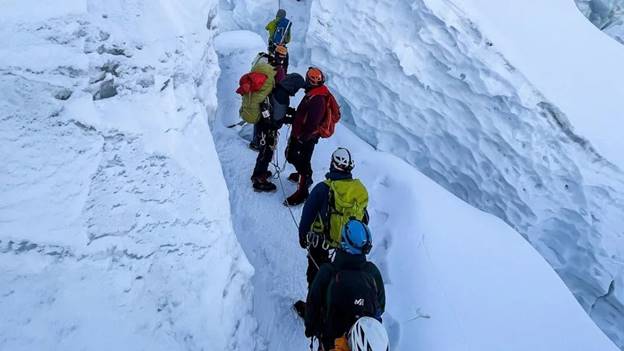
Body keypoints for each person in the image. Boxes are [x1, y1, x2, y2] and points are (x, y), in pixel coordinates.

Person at [302, 219, 386, 351]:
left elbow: (313, 307)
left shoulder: (327, 272)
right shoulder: (372, 272)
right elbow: (380, 306)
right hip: (365, 343)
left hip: (331, 342)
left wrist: (312, 330)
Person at [295, 147, 369, 289]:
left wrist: (303, 235)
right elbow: (364, 218)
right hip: (347, 246)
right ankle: (331, 304)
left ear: (333, 163)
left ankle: (314, 308)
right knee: (337, 278)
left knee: (315, 276)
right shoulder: (359, 190)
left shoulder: (323, 189)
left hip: (321, 243)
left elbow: (308, 214)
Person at [284, 67, 334, 206]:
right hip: (304, 135)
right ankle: (304, 176)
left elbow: (313, 122)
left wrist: (302, 138)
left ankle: (303, 190)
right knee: (300, 158)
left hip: (306, 137)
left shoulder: (317, 99)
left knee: (294, 157)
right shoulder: (314, 93)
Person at [251, 73, 305, 191]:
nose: (296, 90)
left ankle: (260, 172)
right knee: (266, 153)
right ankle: (259, 178)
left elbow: (276, 109)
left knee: (264, 152)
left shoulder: (279, 89)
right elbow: (277, 118)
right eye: (297, 87)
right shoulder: (283, 95)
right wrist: (292, 119)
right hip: (268, 129)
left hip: (263, 125)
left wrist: (290, 113)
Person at [249, 45, 290, 151]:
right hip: (270, 100)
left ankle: (256, 141)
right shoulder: (279, 69)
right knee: (266, 123)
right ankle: (261, 143)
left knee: (259, 121)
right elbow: (281, 83)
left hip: (260, 96)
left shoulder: (266, 62)